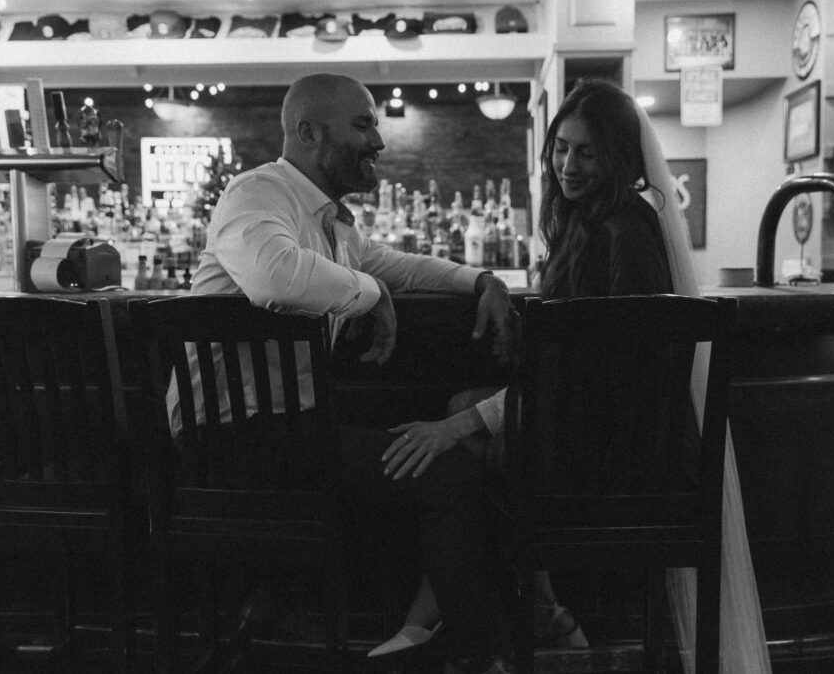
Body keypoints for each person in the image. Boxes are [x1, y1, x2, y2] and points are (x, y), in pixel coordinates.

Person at [373, 79, 774, 673]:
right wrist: (523, 337)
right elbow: (582, 360)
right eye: (561, 148)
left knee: (460, 430)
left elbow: (594, 375)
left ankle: (463, 621)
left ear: (619, 158)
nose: (568, 164)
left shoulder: (620, 233)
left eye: (587, 152)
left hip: (623, 457)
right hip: (611, 433)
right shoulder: (596, 222)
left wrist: (459, 425)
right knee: (463, 413)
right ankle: (536, 610)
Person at [169, 72, 518, 674]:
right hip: (224, 441)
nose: (379, 140)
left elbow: (402, 267)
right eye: (363, 124)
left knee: (433, 448)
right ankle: (469, 655)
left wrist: (481, 280)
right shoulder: (257, 193)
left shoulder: (333, 224)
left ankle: (418, 638)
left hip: (283, 434)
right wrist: (367, 290)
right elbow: (275, 277)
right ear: (308, 132)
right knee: (449, 473)